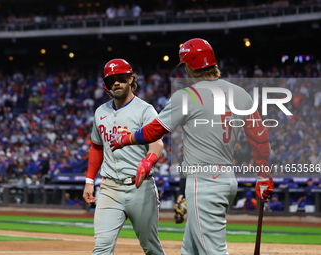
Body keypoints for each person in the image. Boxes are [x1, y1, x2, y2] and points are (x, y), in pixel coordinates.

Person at [110, 38, 274, 254]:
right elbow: (260, 139)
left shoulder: (186, 96)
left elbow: (154, 131)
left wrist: (125, 138)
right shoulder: (239, 93)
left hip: (204, 183)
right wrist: (263, 176)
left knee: (212, 250)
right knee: (190, 249)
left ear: (189, 66)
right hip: (226, 180)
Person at [82, 58, 166, 255]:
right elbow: (96, 147)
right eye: (111, 80)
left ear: (130, 79)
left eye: (120, 78)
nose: (116, 83)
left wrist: (149, 160)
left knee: (151, 247)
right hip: (110, 188)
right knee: (101, 247)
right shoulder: (100, 112)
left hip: (140, 187)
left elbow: (157, 143)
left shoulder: (145, 110)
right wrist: (88, 180)